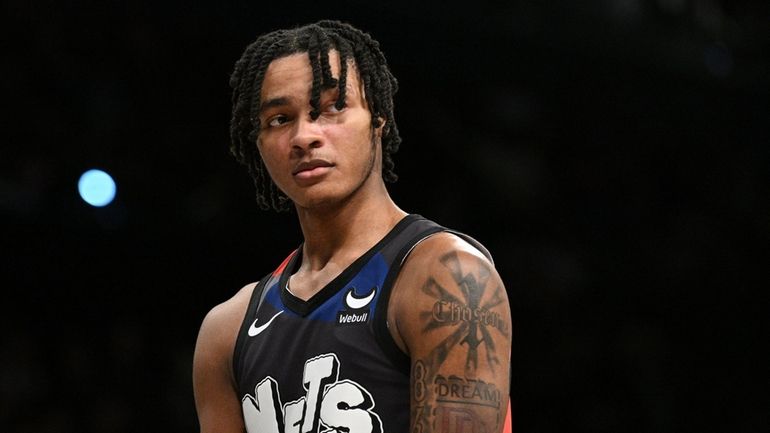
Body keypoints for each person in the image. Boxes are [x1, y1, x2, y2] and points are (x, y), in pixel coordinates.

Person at [192, 20, 512, 433]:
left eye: (331, 107)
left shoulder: (448, 277)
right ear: (258, 144)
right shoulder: (225, 331)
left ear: (378, 117)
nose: (304, 136)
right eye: (279, 118)